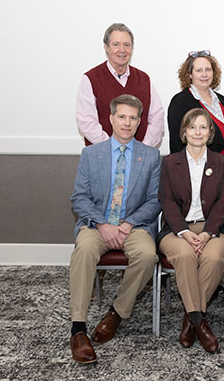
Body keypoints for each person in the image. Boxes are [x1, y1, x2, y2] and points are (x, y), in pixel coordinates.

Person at [69, 94, 161, 364]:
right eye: (122, 116)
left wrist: (129, 223)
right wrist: (102, 224)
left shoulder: (151, 156)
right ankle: (78, 328)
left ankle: (117, 312)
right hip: (97, 224)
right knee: (84, 250)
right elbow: (79, 197)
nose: (127, 122)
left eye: (133, 118)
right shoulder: (91, 154)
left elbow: (155, 200)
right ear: (110, 118)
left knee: (147, 256)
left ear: (139, 121)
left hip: (133, 226)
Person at [157, 108, 224, 354]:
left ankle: (189, 318)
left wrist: (208, 232)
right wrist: (184, 232)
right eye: (192, 127)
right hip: (177, 229)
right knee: (186, 256)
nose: (197, 132)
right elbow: (166, 201)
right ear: (184, 132)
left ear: (210, 132)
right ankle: (199, 322)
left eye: (203, 127)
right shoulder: (169, 162)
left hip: (213, 227)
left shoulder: (221, 162)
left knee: (214, 257)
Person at [76, 23, 164, 148]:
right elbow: (86, 121)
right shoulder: (90, 79)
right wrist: (112, 148)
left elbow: (157, 118)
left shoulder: (144, 79)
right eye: (116, 44)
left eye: (127, 45)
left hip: (139, 158)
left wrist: (144, 148)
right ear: (106, 47)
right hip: (103, 156)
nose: (122, 50)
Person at [167, 51, 224, 159]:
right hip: (199, 171)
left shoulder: (222, 100)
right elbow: (178, 143)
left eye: (208, 69)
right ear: (190, 74)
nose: (204, 74)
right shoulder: (180, 102)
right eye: (199, 70)